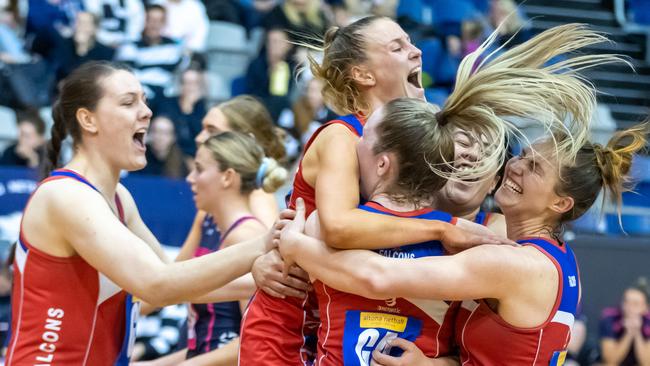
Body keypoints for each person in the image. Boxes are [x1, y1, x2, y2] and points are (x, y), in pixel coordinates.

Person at [239, 15, 517, 366]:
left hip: (352, 314)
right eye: (397, 47)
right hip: (292, 322)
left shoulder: (414, 133)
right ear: (364, 75)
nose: (416, 51)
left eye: (410, 42)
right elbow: (339, 228)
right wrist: (443, 227)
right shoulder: (342, 136)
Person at [279, 117, 648, 365]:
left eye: (534, 168)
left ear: (560, 203)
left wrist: (297, 247)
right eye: (521, 156)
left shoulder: (517, 265)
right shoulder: (550, 258)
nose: (514, 167)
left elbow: (377, 278)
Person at [5, 61, 281, 365]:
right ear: (88, 119)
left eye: (145, 100)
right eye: (128, 102)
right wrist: (264, 244)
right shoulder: (67, 196)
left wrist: (260, 279)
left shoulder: (119, 197)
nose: (147, 111)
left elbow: (174, 278)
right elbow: (156, 285)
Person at [140, 132, 287, 365]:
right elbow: (169, 285)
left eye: (199, 169)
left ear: (228, 177)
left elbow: (250, 342)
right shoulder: (210, 223)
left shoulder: (246, 236)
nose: (189, 178)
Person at [600, 277, 650, 366]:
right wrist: (628, 334)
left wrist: (637, 333)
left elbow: (646, 363)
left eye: (635, 304)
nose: (629, 308)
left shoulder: (648, 322)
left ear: (646, 307)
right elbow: (610, 361)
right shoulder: (610, 319)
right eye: (626, 302)